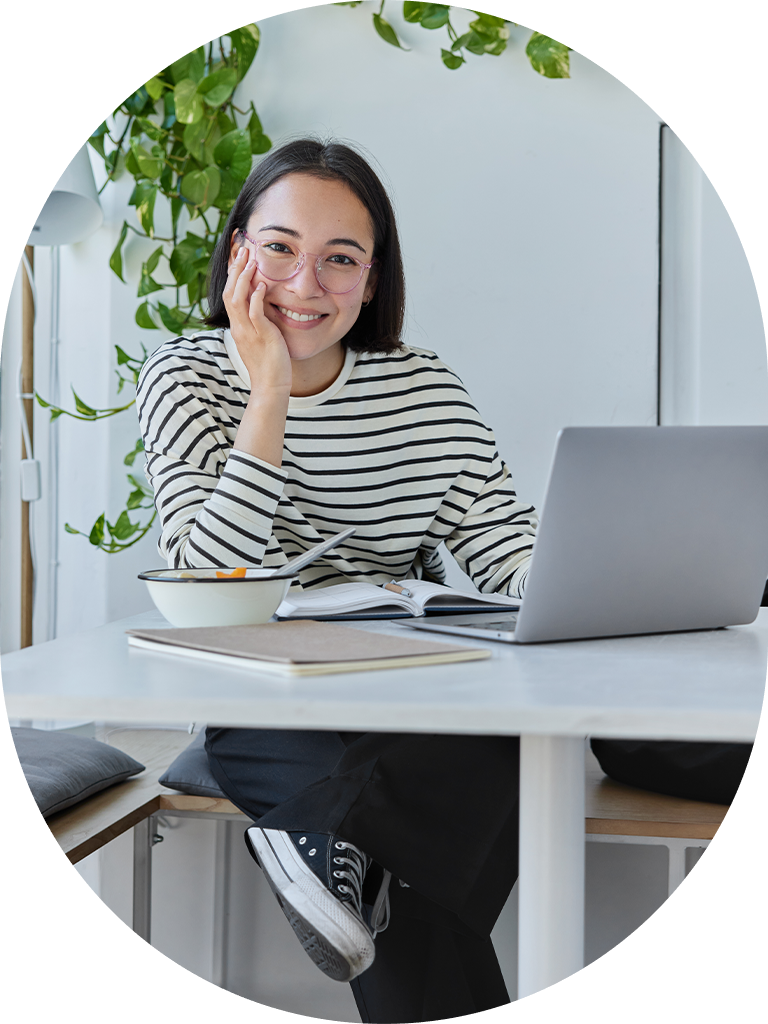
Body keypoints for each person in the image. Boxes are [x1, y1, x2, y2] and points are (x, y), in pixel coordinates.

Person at [137, 137, 537, 1024]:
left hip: (407, 696)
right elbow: (209, 582)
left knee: (518, 735)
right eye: (279, 247)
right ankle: (327, 832)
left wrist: (597, 585)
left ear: (373, 276)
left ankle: (316, 837)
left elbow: (509, 549)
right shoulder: (184, 375)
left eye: (340, 259)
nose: (305, 284)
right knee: (391, 828)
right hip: (264, 690)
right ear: (238, 249)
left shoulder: (426, 390)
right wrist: (269, 393)